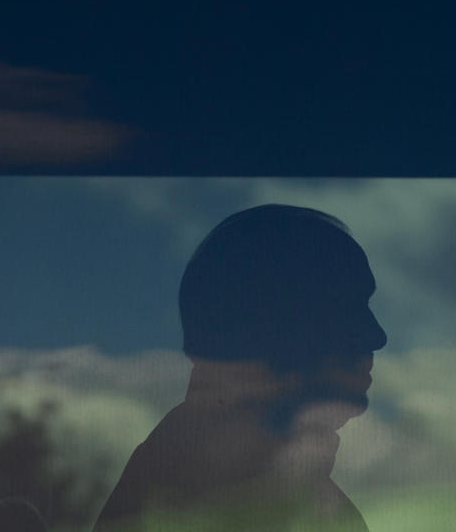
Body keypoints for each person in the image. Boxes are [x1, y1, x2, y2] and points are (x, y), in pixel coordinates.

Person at [94, 204, 387, 531]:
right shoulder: (189, 495)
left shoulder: (310, 498)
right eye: (349, 309)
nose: (377, 336)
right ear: (283, 325)